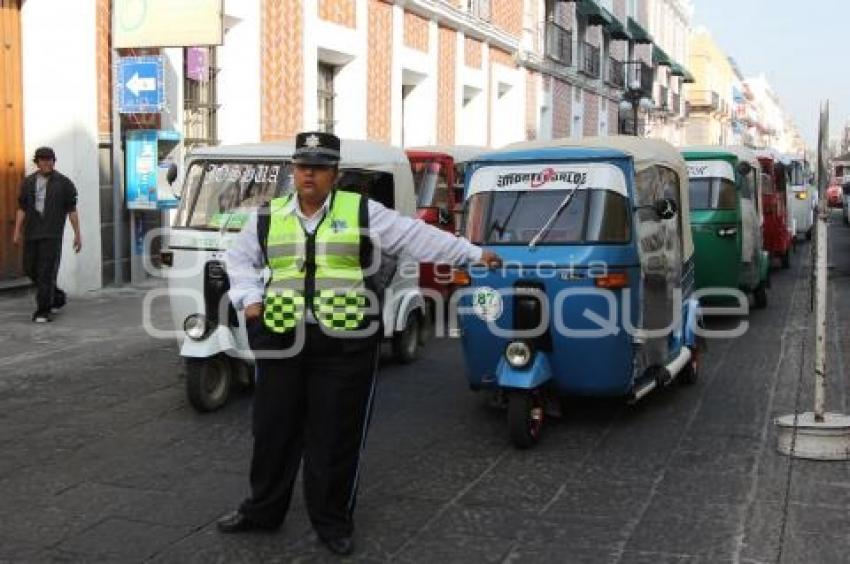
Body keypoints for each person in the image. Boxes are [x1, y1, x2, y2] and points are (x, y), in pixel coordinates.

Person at [219, 132, 501, 556]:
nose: (308, 174)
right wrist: (250, 300)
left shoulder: (363, 212)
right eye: (302, 166)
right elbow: (238, 258)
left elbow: (415, 237)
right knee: (272, 429)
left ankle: (332, 521)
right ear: (293, 170)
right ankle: (262, 510)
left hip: (343, 341)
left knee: (335, 435)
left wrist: (472, 254)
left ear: (335, 173)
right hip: (280, 337)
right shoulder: (268, 215)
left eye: (318, 167)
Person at [12, 147, 82, 323]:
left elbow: (72, 211)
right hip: (32, 233)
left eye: (50, 159)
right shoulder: (27, 183)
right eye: (43, 159)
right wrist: (16, 231)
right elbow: (22, 208)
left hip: (52, 234)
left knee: (46, 272)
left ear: (54, 161)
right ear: (37, 162)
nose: (47, 162)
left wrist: (77, 234)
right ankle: (56, 296)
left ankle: (43, 311)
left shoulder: (64, 183)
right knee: (29, 268)